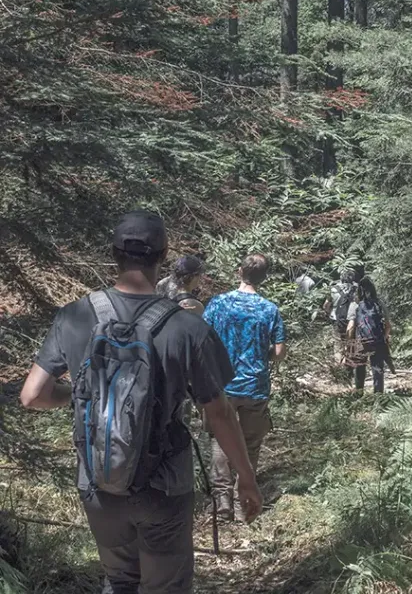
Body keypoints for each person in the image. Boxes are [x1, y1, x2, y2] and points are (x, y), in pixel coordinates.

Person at [19, 210, 262, 594]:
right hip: (165, 486)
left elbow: (33, 395)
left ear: (114, 254)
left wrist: (82, 394)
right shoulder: (188, 327)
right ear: (163, 256)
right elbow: (219, 413)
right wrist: (246, 479)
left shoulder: (75, 315)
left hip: (99, 482)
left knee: (119, 581)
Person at [203, 253, 286, 521]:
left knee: (220, 439)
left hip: (222, 385)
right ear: (264, 278)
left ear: (240, 271)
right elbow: (279, 352)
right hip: (255, 386)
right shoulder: (269, 309)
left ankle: (222, 504)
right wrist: (262, 354)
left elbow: (202, 340)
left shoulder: (218, 304)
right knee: (250, 443)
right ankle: (244, 506)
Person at [346, 276, 392, 394]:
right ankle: (378, 396)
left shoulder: (355, 305)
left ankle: (359, 393)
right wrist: (384, 337)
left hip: (361, 341)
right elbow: (388, 326)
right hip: (378, 340)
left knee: (360, 367)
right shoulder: (379, 303)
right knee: (377, 369)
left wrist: (350, 343)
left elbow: (350, 327)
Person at [323, 271, 356, 363]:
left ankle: (338, 364)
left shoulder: (333, 289)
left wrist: (328, 313)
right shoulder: (356, 289)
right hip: (352, 320)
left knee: (337, 342)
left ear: (341, 278)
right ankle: (349, 363)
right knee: (351, 341)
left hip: (336, 319)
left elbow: (326, 305)